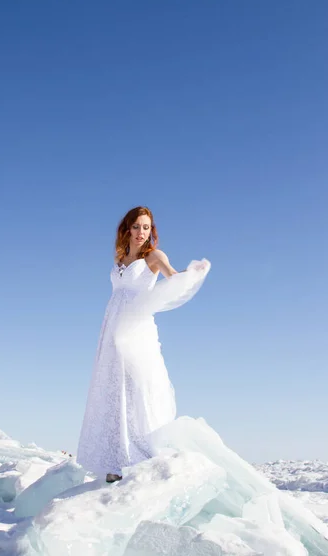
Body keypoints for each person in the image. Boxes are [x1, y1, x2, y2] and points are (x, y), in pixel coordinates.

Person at [76, 206, 210, 483]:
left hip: (136, 330)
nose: (141, 232)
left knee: (137, 388)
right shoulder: (121, 257)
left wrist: (194, 272)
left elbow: (174, 277)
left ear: (152, 231)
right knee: (113, 390)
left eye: (146, 227)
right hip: (111, 329)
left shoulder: (154, 256)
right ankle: (115, 460)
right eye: (136, 226)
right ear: (127, 229)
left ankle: (140, 457)